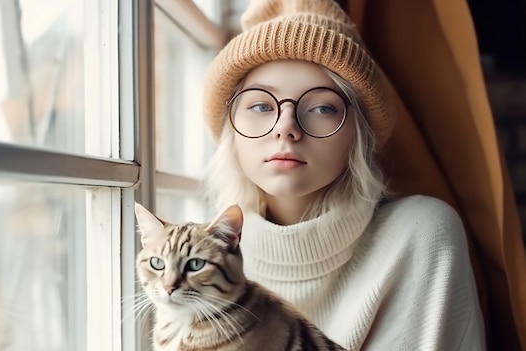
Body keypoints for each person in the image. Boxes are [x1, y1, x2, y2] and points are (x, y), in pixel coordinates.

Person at [201, 0, 489, 349]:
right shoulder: (199, 259)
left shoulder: (422, 233)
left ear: (357, 134)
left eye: (322, 107)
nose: (286, 128)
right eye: (261, 105)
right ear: (230, 130)